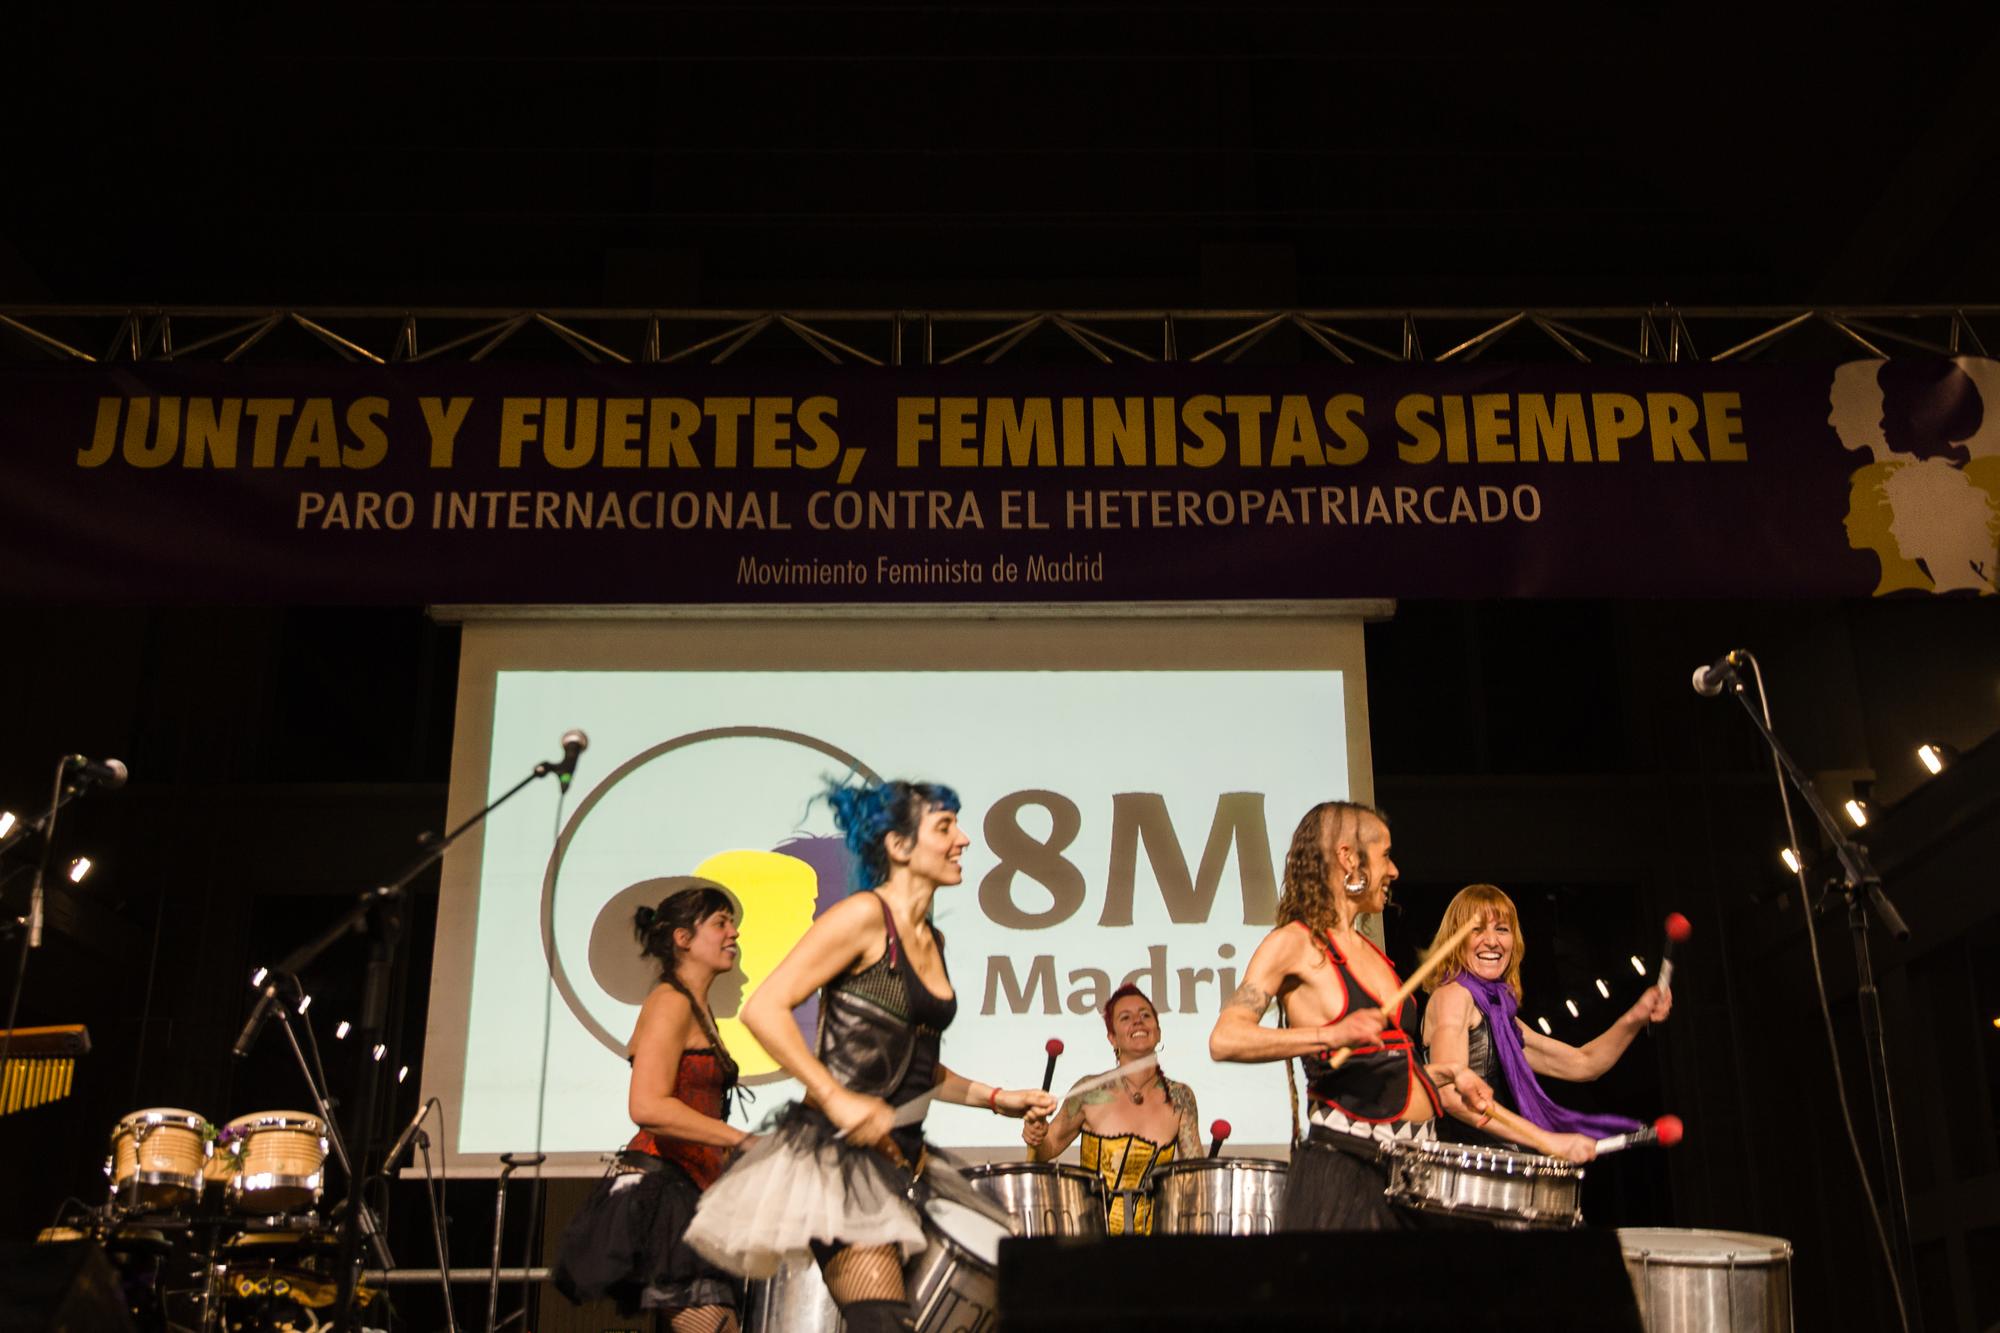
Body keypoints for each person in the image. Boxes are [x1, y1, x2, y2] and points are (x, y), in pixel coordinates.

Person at [684, 778, 1056, 1333]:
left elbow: (912, 1065)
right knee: (880, 1321)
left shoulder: (932, 940)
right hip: (840, 1163)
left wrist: (996, 1098)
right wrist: (836, 1099)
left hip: (904, 1161)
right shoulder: (863, 917)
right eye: (945, 827)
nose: (963, 839)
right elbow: (765, 1008)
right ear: (899, 846)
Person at [1208, 800, 1492, 1230]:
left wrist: (1446, 1074)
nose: (1393, 871)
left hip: (1413, 1172)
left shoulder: (1373, 954)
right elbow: (1226, 1038)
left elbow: (1383, 1065)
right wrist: (1332, 1034)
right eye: (1385, 855)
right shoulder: (1294, 943)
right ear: (1348, 858)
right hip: (1349, 1169)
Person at [554, 884, 749, 1332]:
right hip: (665, 1190)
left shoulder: (694, 1005)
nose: (733, 933)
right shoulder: (670, 1002)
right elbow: (646, 1105)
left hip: (691, 1190)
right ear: (683, 938)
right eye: (720, 923)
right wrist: (740, 1138)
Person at [1420, 883, 1671, 1162]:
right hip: (1463, 1171)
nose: (1492, 941)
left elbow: (1583, 1063)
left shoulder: (1499, 1016)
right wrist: (1546, 1140)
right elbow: (1449, 1093)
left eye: (1501, 929)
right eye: (1477, 929)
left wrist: (1636, 1017)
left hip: (1501, 1165)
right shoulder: (1453, 995)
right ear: (1455, 939)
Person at [1021, 984, 1201, 1234]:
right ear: (1112, 1038)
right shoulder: (1088, 1092)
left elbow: (1196, 1178)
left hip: (1155, 1248)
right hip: (1092, 1245)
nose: (1138, 1021)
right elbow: (1045, 1150)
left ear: (1158, 1032)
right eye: (1125, 1018)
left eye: (1145, 1015)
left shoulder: (1181, 1097)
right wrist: (1036, 1136)